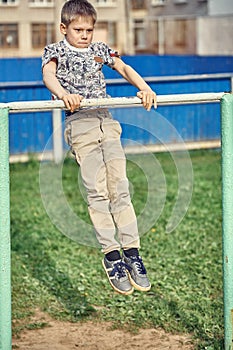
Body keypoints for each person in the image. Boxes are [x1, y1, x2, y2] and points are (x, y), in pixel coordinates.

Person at [42, 0, 157, 296]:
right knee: (98, 191)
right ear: (63, 28)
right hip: (81, 124)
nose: (84, 35)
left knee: (121, 187)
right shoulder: (56, 50)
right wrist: (64, 94)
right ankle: (112, 256)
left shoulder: (100, 49)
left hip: (106, 120)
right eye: (78, 29)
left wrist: (144, 86)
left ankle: (132, 252)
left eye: (89, 30)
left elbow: (123, 67)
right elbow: (49, 76)